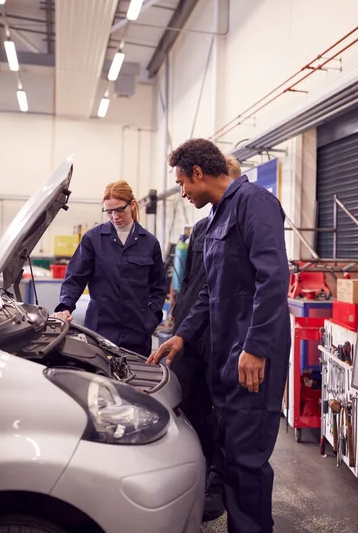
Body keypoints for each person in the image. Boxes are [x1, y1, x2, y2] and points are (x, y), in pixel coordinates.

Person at [148, 139, 291, 533]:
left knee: (246, 460)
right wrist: (183, 336)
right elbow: (210, 287)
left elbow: (274, 279)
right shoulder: (216, 217)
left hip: (253, 353)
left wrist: (257, 347)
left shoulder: (254, 203)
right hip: (227, 352)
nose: (182, 192)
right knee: (228, 452)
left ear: (198, 173)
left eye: (182, 183)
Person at [171, 154, 242, 523]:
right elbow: (195, 282)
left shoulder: (243, 222)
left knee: (223, 409)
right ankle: (199, 467)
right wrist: (177, 317)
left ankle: (218, 478)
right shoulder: (200, 230)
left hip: (220, 335)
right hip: (189, 331)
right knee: (186, 400)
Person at [54, 180, 167, 357]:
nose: (114, 216)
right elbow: (75, 278)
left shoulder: (149, 243)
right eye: (108, 211)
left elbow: (158, 287)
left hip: (137, 331)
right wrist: (65, 306)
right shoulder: (93, 239)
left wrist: (150, 319)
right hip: (100, 330)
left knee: (135, 379)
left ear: (132, 205)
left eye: (119, 209)